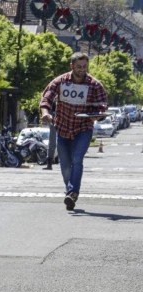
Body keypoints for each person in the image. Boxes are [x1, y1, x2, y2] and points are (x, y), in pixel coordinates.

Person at [39, 52, 107, 211]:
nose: (82, 69)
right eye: (78, 67)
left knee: (77, 159)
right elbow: (46, 100)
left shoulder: (95, 85)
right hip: (62, 127)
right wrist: (45, 113)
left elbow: (102, 105)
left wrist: (98, 115)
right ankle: (70, 189)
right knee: (65, 165)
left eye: (84, 66)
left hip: (83, 128)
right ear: (72, 66)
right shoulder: (60, 81)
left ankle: (72, 193)